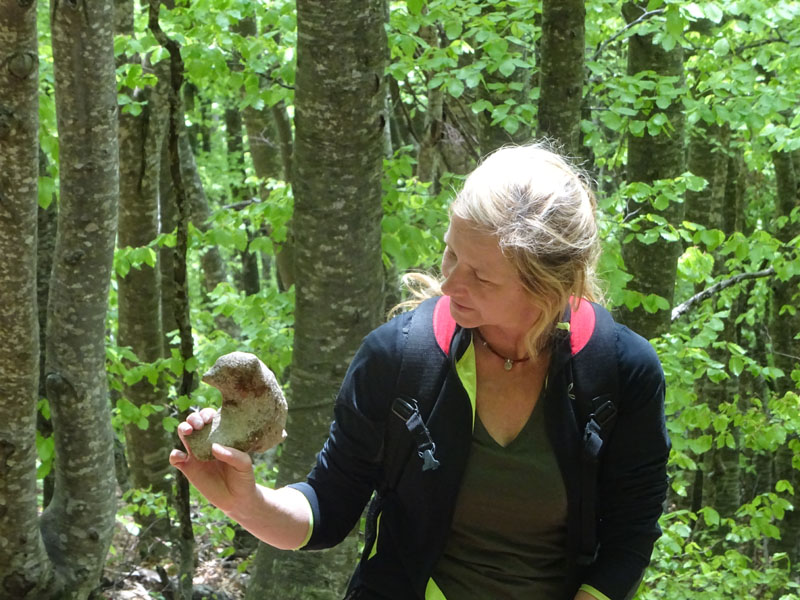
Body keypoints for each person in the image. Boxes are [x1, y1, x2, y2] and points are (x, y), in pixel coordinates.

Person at [170, 143, 670, 600]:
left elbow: (630, 534)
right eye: (451, 251)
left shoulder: (620, 371)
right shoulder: (398, 359)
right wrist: (246, 502)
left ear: (548, 286)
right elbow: (327, 507)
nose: (449, 282)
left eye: (480, 275)